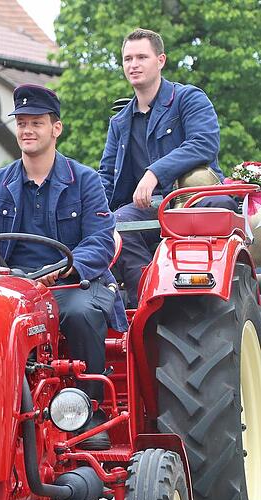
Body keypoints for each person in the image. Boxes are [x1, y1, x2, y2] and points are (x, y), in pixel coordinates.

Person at [0, 84, 127, 451]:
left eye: (36, 122)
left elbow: (100, 241)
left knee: (83, 314)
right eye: (21, 123)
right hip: (14, 290)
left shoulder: (84, 181)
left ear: (56, 128)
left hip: (74, 285)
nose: (27, 130)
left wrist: (67, 270)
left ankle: (90, 412)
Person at [99, 28, 236, 308]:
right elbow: (106, 178)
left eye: (141, 57)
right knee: (118, 223)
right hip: (144, 208)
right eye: (127, 59)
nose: (133, 65)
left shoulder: (189, 99)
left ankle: (199, 302)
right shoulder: (119, 122)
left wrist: (154, 172)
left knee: (219, 206)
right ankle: (149, 306)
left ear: (160, 60)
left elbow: (204, 143)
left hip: (193, 200)